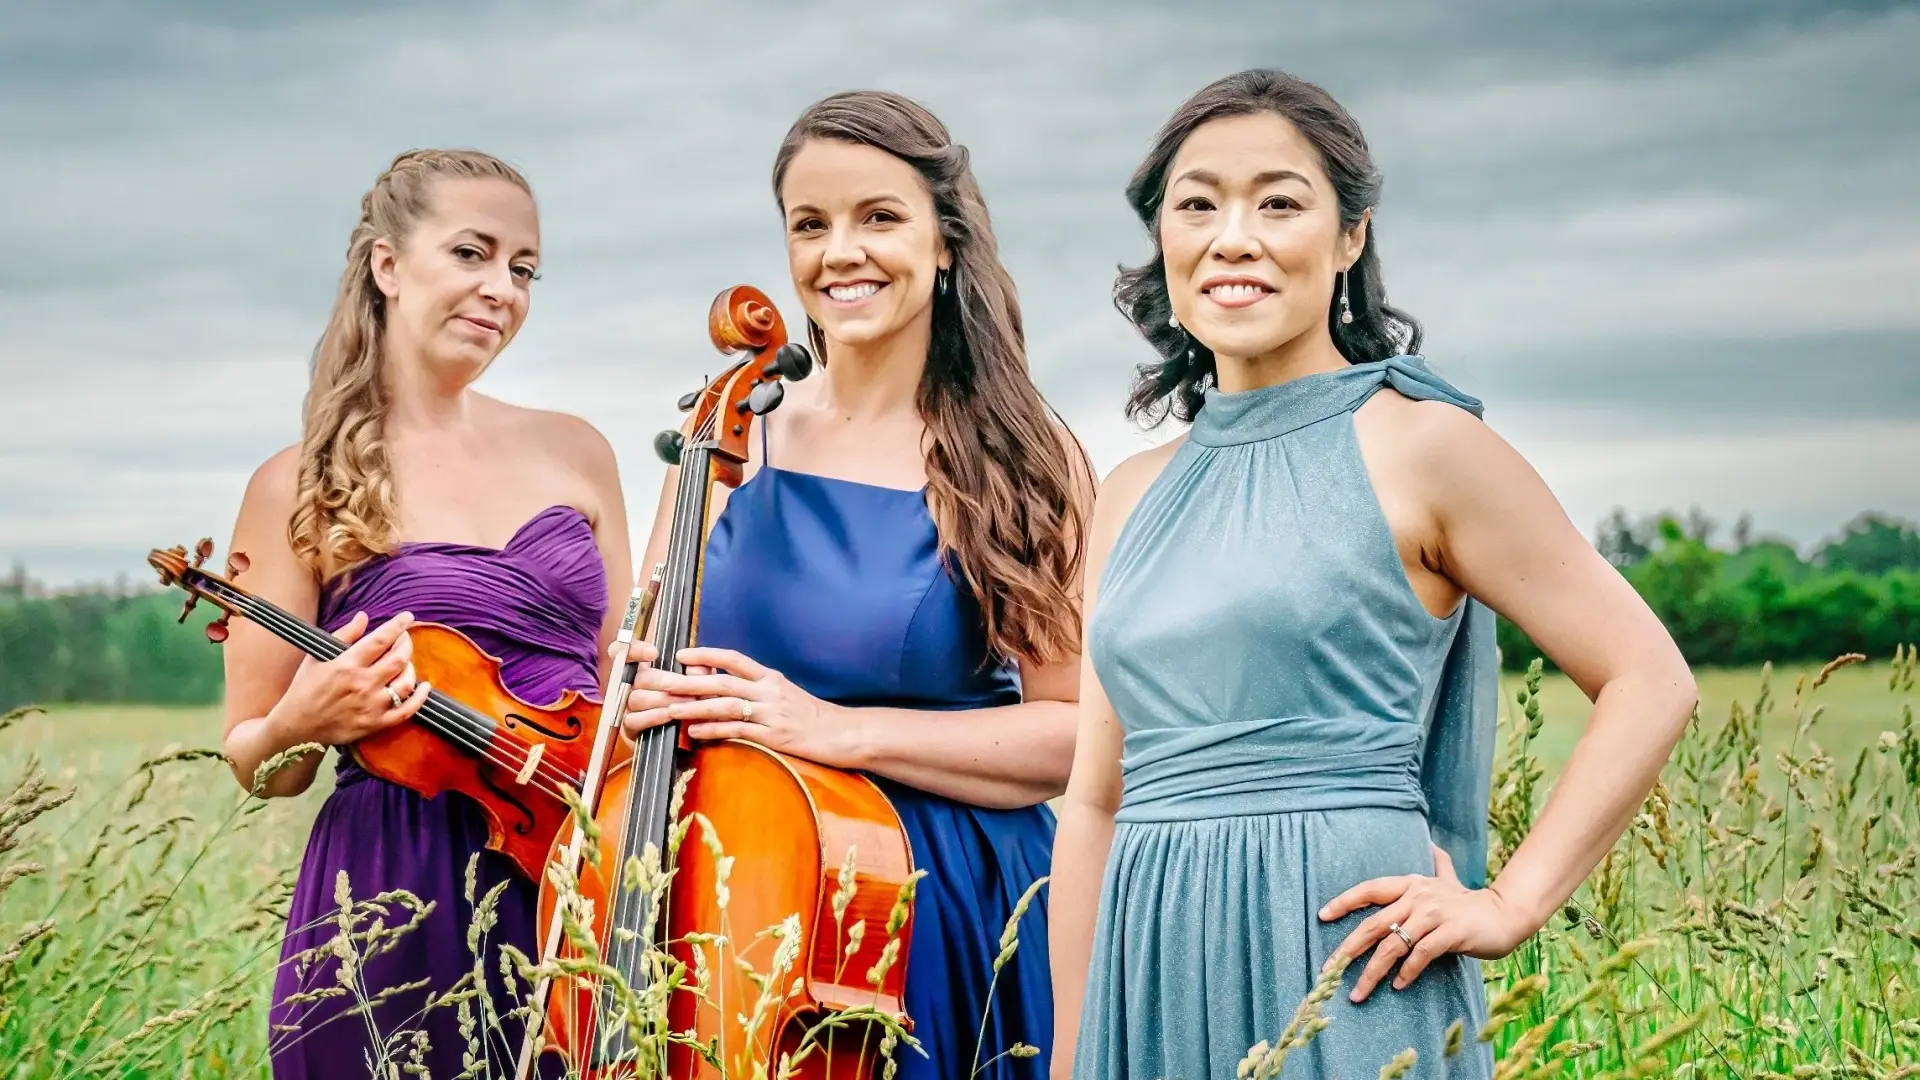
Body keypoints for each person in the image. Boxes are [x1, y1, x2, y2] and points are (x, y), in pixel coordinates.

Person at [1047, 69, 1697, 1079]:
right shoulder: (1127, 491)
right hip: (1151, 971)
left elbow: (1650, 678)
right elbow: (1094, 800)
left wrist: (1510, 903)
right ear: (1164, 241)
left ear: (1348, 237)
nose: (1234, 236)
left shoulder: (1427, 448)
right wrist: (1077, 1052)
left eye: (1279, 202)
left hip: (1349, 967)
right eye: (1198, 204)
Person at [620, 90, 1092, 1079]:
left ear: (945, 243)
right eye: (810, 225)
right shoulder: (723, 437)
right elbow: (641, 665)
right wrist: (637, 690)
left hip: (935, 899)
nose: (842, 252)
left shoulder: (1017, 458)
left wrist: (836, 731)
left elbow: (1072, 735)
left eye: (879, 216)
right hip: (731, 889)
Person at [219, 149, 632, 1079]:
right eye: (472, 254)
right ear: (388, 266)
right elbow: (258, 761)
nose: (502, 290)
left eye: (523, 270)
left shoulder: (579, 450)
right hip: (391, 889)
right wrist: (301, 721)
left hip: (581, 878)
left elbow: (616, 694)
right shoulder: (295, 484)